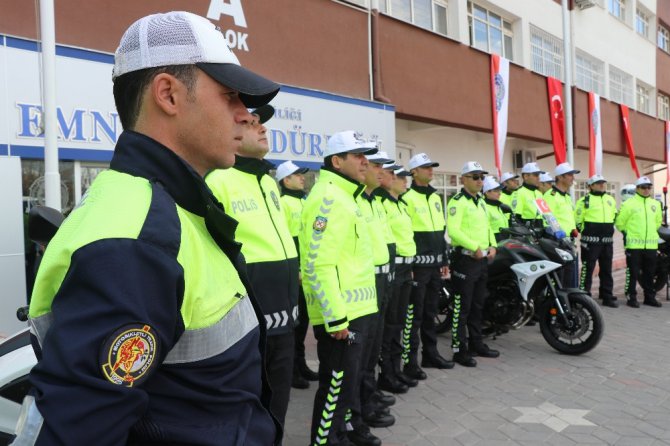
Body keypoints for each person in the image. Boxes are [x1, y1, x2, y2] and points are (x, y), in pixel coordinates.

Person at [17, 11, 281, 445]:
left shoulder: (166, 208)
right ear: (168, 95)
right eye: (230, 95)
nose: (244, 114)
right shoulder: (137, 241)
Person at [206, 104, 298, 428]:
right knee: (250, 412)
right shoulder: (217, 180)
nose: (262, 129)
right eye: (252, 122)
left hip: (285, 319)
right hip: (252, 325)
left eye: (262, 124)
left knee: (278, 409)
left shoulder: (270, 183)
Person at [301, 130, 379, 446]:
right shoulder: (329, 198)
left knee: (345, 388)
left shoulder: (347, 196)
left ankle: (337, 437)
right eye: (357, 156)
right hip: (341, 319)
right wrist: (335, 319)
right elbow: (317, 264)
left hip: (356, 311)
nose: (365, 162)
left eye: (366, 155)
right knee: (334, 388)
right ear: (337, 161)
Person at [402, 153, 454, 380]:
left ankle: (430, 354)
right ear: (414, 171)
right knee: (414, 316)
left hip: (434, 266)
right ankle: (410, 361)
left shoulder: (434, 197)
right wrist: (411, 264)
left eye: (431, 167)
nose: (431, 171)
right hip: (418, 267)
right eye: (426, 167)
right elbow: (407, 234)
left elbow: (440, 230)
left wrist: (443, 261)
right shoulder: (407, 197)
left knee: (431, 312)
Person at [447, 162, 499, 367]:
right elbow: (453, 230)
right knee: (462, 307)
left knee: (478, 305)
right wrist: (474, 246)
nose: (480, 181)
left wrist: (493, 245)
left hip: (482, 260)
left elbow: (488, 227)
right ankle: (459, 350)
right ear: (464, 179)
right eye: (475, 177)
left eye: (481, 177)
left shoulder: (481, 202)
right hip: (466, 260)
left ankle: (476, 343)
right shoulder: (457, 202)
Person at [275, 160, 320, 389]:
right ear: (286, 180)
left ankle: (301, 365)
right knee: (294, 323)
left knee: (303, 322)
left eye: (302, 174)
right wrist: (298, 269)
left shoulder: (304, 202)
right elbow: (287, 240)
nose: (302, 177)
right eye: (296, 175)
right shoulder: (283, 203)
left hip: (308, 271)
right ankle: (292, 371)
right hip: (297, 273)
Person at [377, 166, 418, 393]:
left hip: (405, 268)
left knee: (399, 322)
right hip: (393, 268)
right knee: (390, 324)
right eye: (399, 177)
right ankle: (386, 373)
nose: (404, 181)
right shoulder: (383, 204)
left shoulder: (400, 205)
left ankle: (396, 368)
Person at [615, 176, 663, 308]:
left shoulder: (655, 204)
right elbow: (620, 223)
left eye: (649, 187)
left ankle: (649, 297)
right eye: (643, 187)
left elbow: (658, 222)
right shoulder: (628, 204)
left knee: (650, 272)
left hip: (651, 245)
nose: (647, 190)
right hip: (634, 245)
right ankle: (631, 297)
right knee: (633, 272)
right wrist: (629, 234)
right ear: (637, 188)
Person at [575, 175, 618, 308]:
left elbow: (614, 216)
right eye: (598, 183)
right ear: (591, 186)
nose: (601, 185)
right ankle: (583, 296)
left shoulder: (610, 199)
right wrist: (587, 231)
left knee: (606, 270)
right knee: (588, 270)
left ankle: (607, 296)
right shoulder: (584, 200)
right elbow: (577, 219)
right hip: (590, 242)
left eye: (603, 183)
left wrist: (609, 230)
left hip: (607, 242)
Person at [543, 162, 580, 288]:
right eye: (569, 175)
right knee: (560, 279)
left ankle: (569, 305)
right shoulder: (550, 196)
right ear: (560, 177)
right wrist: (559, 237)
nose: (572, 178)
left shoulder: (567, 197)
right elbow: (547, 220)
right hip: (557, 242)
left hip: (568, 242)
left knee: (570, 278)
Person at [511, 162, 545, 228]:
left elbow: (546, 215)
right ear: (526, 176)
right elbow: (515, 219)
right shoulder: (518, 193)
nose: (538, 178)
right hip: (528, 235)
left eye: (539, 175)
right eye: (536, 175)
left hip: (541, 233)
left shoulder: (539, 193)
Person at [482, 176, 511, 242]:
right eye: (496, 191)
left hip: (504, 241)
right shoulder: (484, 207)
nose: (499, 193)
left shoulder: (498, 206)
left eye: (499, 190)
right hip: (494, 243)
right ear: (487, 192)